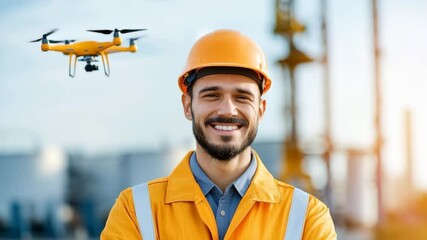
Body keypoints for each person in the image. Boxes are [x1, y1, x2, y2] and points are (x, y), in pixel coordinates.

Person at [101, 29, 337, 240]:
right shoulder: (135, 211)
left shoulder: (307, 219)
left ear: (261, 110)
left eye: (242, 97)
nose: (227, 110)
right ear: (187, 105)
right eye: (211, 95)